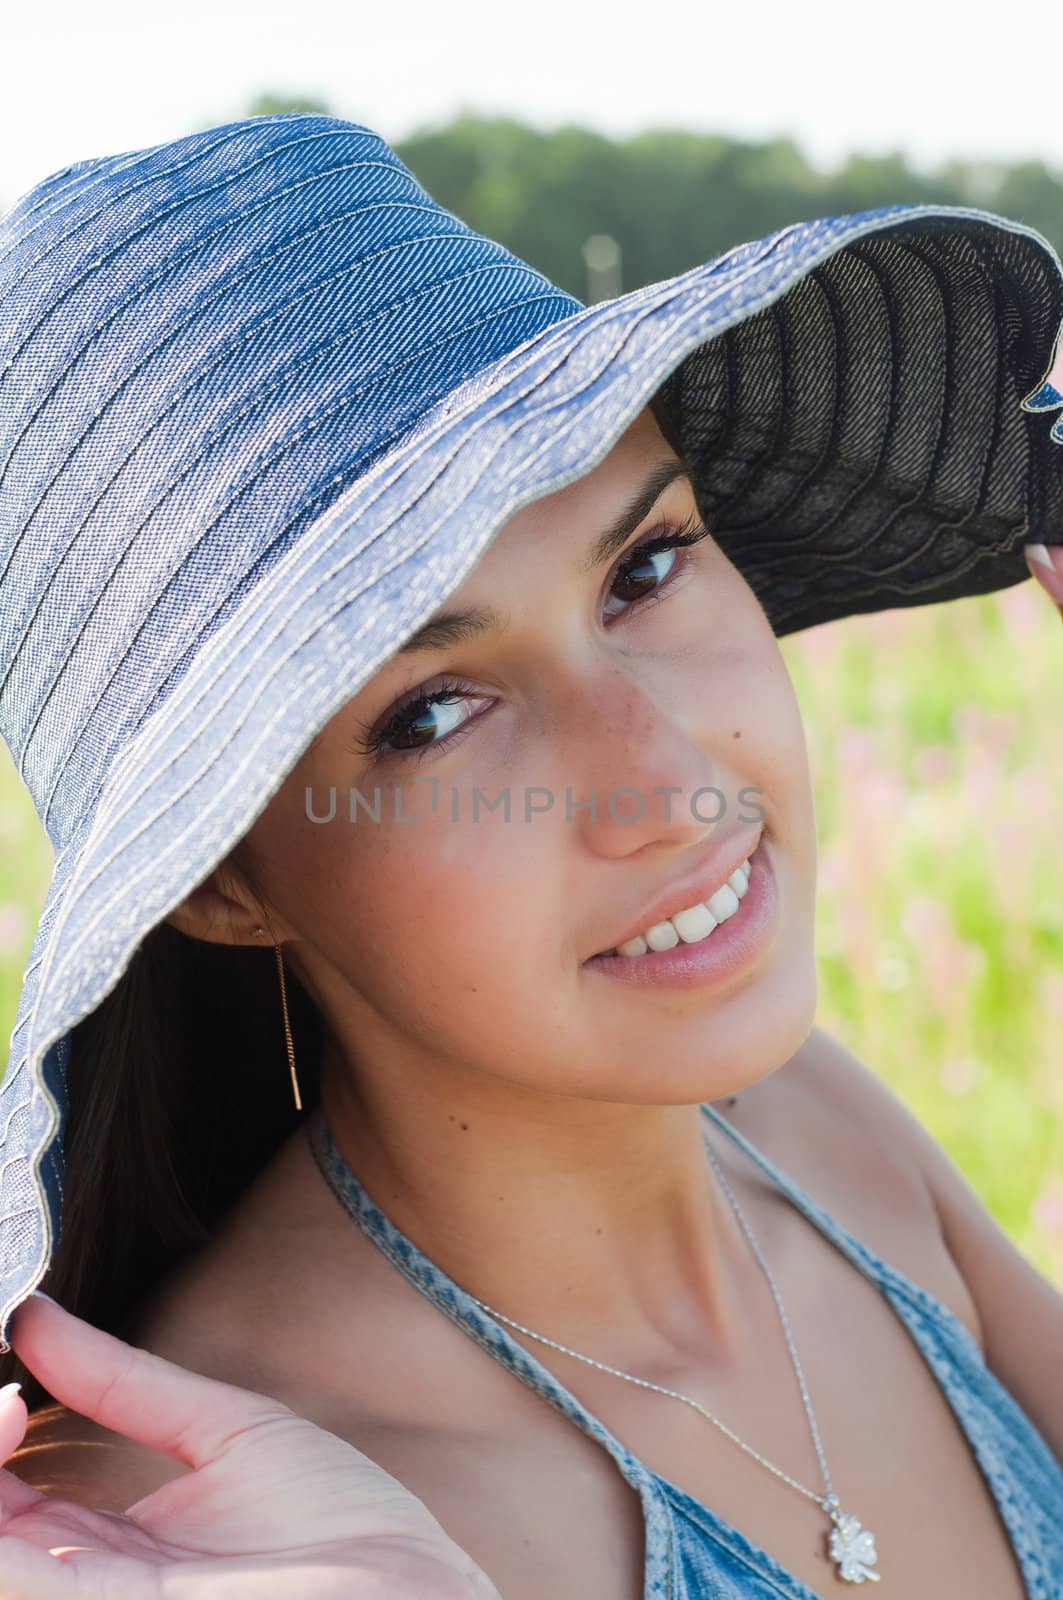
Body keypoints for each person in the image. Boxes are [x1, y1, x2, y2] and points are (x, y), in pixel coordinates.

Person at [0, 112, 1061, 1599]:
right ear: (218, 881)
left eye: (645, 566)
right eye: (432, 712)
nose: (666, 777)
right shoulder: (209, 1529)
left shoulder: (814, 1137)